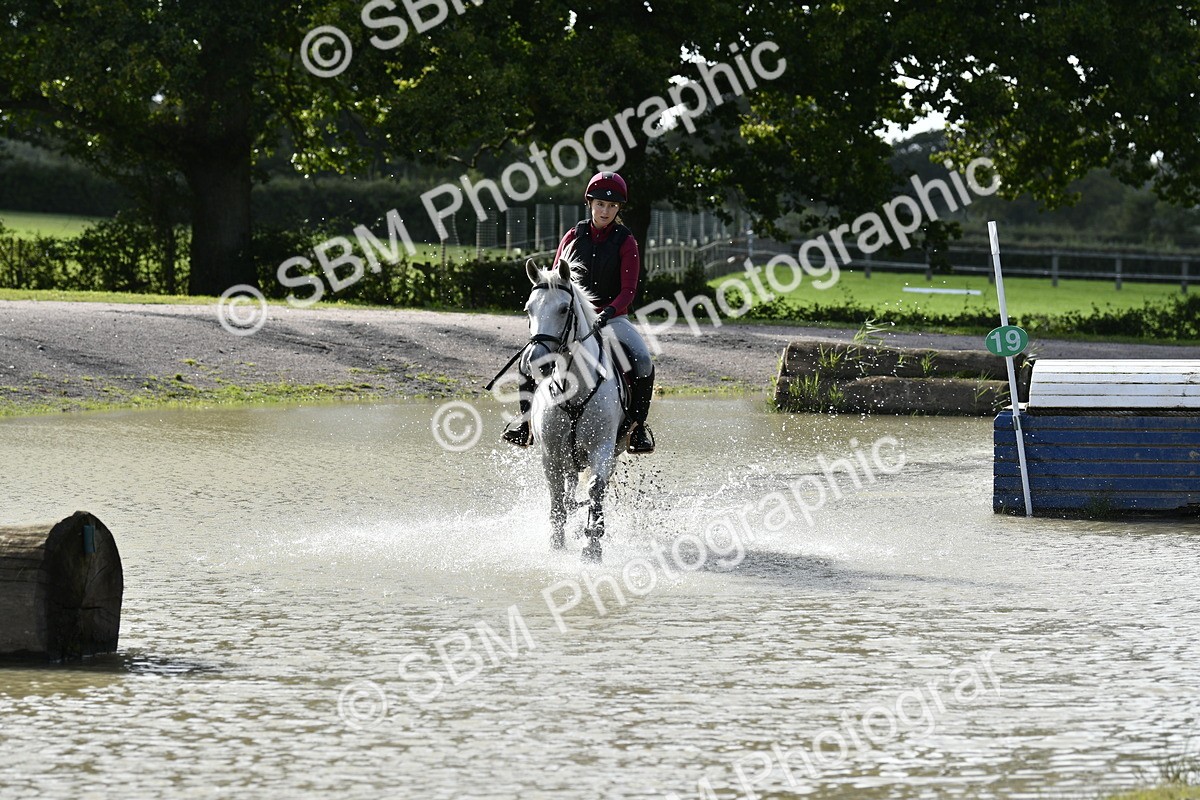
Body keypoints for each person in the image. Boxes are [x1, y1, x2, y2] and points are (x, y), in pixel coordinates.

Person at [503, 170, 656, 454]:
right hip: (573, 317)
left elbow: (628, 291)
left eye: (611, 206)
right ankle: (524, 424)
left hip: (613, 318)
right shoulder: (573, 236)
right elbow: (556, 281)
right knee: (527, 361)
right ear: (590, 203)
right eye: (600, 204)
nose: (605, 210)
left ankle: (637, 428)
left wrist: (606, 313)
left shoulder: (626, 242)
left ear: (618, 208)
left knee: (644, 361)